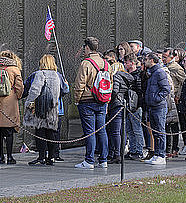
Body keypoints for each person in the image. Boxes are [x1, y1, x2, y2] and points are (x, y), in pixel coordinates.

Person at [24, 54, 69, 166]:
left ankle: (41, 156)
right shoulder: (58, 75)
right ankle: (52, 157)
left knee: (40, 133)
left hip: (40, 108)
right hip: (54, 108)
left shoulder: (36, 74)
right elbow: (65, 90)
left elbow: (28, 87)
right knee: (52, 133)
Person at [74, 37, 109, 169]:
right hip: (102, 100)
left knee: (90, 131)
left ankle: (89, 160)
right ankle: (103, 159)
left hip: (87, 101)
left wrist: (77, 99)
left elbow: (80, 84)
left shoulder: (86, 63)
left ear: (87, 48)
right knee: (102, 130)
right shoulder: (105, 63)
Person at [0, 50, 24, 164]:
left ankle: (0, 157)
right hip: (10, 102)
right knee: (9, 132)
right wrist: (17, 96)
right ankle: (10, 157)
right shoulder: (14, 69)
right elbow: (20, 87)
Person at [104, 50, 133, 163]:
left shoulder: (116, 77)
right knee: (122, 131)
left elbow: (115, 91)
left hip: (116, 104)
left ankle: (117, 154)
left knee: (115, 131)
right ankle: (119, 152)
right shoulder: (128, 77)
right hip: (123, 104)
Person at [143, 52, 170, 165]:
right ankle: (157, 154)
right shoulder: (152, 73)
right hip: (152, 106)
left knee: (160, 131)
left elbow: (166, 89)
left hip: (158, 106)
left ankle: (161, 155)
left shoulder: (159, 72)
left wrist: (156, 99)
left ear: (152, 60)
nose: (144, 61)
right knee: (155, 131)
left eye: (146, 59)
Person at [161, 48, 186, 157]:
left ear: (172, 57)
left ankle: (173, 148)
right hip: (168, 99)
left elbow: (184, 82)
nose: (163, 59)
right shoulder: (165, 67)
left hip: (174, 100)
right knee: (168, 125)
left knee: (173, 126)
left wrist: (178, 95)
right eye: (162, 57)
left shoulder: (176, 68)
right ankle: (169, 148)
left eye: (165, 57)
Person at [123, 53, 145, 161]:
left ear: (132, 63)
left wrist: (137, 105)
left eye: (126, 63)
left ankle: (139, 151)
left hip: (136, 106)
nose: (124, 64)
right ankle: (132, 149)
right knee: (129, 129)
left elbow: (140, 92)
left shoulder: (138, 75)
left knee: (137, 129)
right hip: (128, 105)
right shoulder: (127, 74)